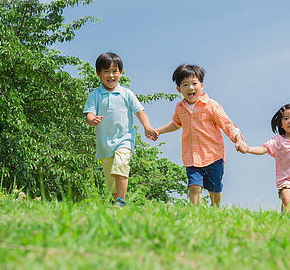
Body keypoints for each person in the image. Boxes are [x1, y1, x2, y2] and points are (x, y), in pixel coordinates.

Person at [154, 64, 248, 206]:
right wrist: (158, 131)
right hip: (191, 157)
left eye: (194, 84)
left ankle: (215, 209)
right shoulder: (180, 108)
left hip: (213, 156)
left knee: (214, 188)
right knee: (194, 187)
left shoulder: (211, 105)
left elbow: (227, 125)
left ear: (201, 86)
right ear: (179, 89)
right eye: (185, 85)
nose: (190, 88)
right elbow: (176, 124)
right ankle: (195, 214)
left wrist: (239, 140)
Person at [83, 52, 158, 209]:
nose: (111, 75)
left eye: (115, 71)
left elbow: (139, 111)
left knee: (121, 165)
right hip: (104, 144)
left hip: (124, 139)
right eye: (106, 71)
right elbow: (88, 113)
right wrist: (92, 119)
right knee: (111, 179)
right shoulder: (95, 95)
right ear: (98, 73)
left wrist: (147, 126)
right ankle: (116, 204)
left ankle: (121, 202)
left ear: (121, 72)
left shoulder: (127, 93)